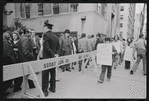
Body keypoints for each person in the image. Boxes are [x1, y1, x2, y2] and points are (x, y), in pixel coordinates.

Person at [14, 28, 35, 93]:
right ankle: (17, 87)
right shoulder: (25, 39)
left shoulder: (22, 38)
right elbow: (25, 51)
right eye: (30, 32)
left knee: (25, 73)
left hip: (23, 59)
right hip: (25, 60)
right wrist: (31, 56)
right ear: (27, 32)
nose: (31, 34)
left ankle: (30, 85)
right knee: (26, 73)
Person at [42, 20, 59, 96]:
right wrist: (56, 54)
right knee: (53, 73)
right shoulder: (55, 36)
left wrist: (52, 54)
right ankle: (53, 88)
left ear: (46, 27)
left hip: (47, 58)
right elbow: (58, 47)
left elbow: (46, 47)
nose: (44, 29)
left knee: (45, 75)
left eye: (44, 27)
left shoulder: (45, 35)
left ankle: (45, 91)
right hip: (54, 58)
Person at [3, 27, 16, 98]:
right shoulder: (4, 42)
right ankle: (2, 93)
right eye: (6, 32)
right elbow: (6, 55)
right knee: (7, 80)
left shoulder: (5, 41)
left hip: (6, 63)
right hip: (7, 64)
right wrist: (13, 61)